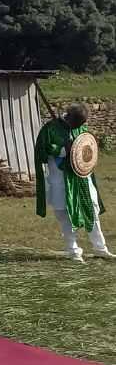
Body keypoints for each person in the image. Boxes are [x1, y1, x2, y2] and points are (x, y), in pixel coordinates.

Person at [34, 103, 114, 261]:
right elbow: (42, 152)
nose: (78, 126)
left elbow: (86, 149)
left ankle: (100, 248)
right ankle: (73, 251)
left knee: (92, 209)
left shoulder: (81, 128)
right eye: (76, 122)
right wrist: (63, 148)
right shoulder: (50, 129)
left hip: (82, 178)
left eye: (80, 123)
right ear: (69, 116)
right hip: (60, 179)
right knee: (65, 214)